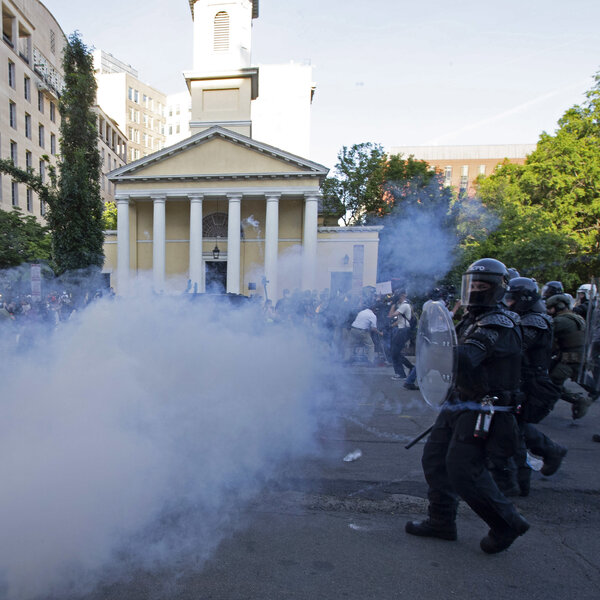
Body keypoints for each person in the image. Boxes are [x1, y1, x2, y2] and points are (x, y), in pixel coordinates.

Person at [406, 258, 529, 554]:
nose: (475, 290)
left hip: (485, 408)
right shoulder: (472, 319)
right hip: (460, 401)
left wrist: (431, 351)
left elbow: (465, 358)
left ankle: (506, 522)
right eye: (472, 284)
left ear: (498, 288)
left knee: (464, 469)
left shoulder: (499, 322)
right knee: (435, 459)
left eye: (482, 285)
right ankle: (441, 522)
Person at [494, 278, 566, 496]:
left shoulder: (533, 321)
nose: (508, 303)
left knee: (512, 430)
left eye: (511, 298)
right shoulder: (529, 318)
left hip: (529, 384)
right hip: (520, 381)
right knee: (514, 427)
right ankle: (550, 451)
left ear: (523, 298)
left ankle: (519, 482)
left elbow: (513, 348)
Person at [546, 293, 592, 419]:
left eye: (550, 308)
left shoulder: (561, 321)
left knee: (552, 383)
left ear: (559, 306)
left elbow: (545, 335)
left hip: (571, 358)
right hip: (576, 356)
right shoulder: (574, 317)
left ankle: (579, 400)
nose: (548, 311)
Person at [388, 291, 414, 380]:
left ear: (402, 296)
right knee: (396, 352)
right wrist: (390, 326)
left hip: (403, 331)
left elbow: (390, 315)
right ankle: (411, 368)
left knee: (394, 353)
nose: (396, 298)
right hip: (402, 330)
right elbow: (400, 320)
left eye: (397, 297)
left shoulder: (404, 305)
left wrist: (393, 305)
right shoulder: (404, 305)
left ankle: (401, 374)